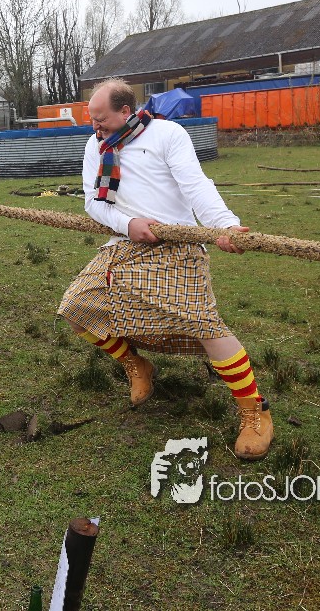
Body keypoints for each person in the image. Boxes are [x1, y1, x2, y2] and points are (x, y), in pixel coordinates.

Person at [57, 78, 272, 461]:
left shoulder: (167, 134)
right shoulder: (96, 146)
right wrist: (128, 225)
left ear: (126, 111)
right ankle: (136, 364)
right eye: (92, 119)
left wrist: (224, 225)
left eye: (101, 118)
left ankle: (255, 410)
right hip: (125, 245)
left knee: (204, 325)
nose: (94, 126)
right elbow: (93, 202)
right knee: (76, 307)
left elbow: (196, 186)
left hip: (178, 246)